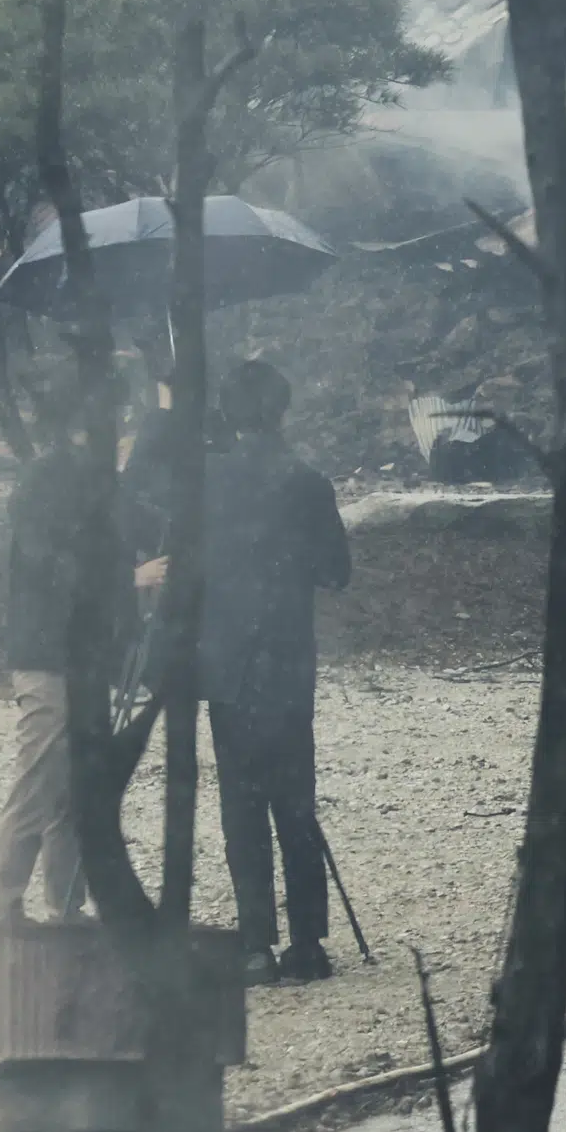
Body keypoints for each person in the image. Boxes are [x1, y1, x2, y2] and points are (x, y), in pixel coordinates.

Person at [197, 359, 352, 984]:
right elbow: (335, 572)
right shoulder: (307, 481)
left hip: (229, 666)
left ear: (229, 415)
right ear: (281, 410)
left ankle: (255, 944)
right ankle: (308, 944)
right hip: (287, 666)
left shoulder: (206, 482)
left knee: (240, 804)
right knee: (296, 802)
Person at [0, 417, 135, 924]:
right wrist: (128, 577)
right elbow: (51, 564)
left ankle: (65, 906)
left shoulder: (96, 477)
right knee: (37, 781)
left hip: (84, 656)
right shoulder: (43, 480)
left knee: (75, 789)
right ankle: (3, 908)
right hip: (46, 653)